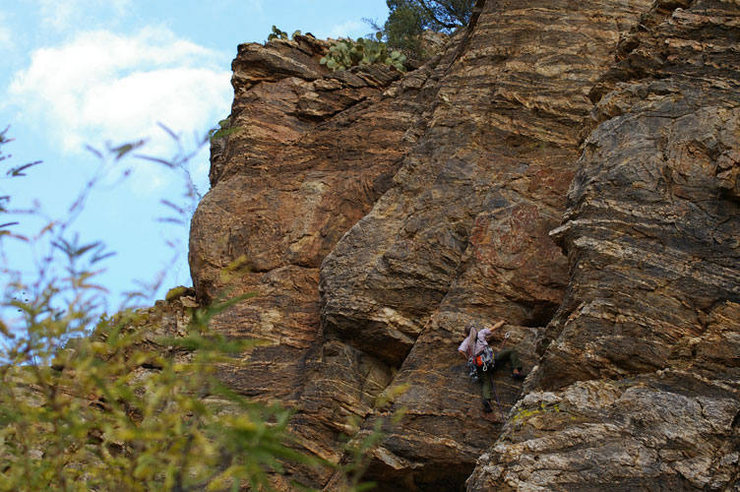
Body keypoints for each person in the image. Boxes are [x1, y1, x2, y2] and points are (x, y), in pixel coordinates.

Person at [458, 319, 525, 413]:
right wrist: (502, 322)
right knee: (511, 352)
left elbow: (461, 351)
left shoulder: (467, 341)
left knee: (486, 382)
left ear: (466, 333)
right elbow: (494, 328)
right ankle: (516, 371)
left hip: (480, 366)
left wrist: (468, 358)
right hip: (492, 361)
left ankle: (487, 403)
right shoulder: (480, 334)